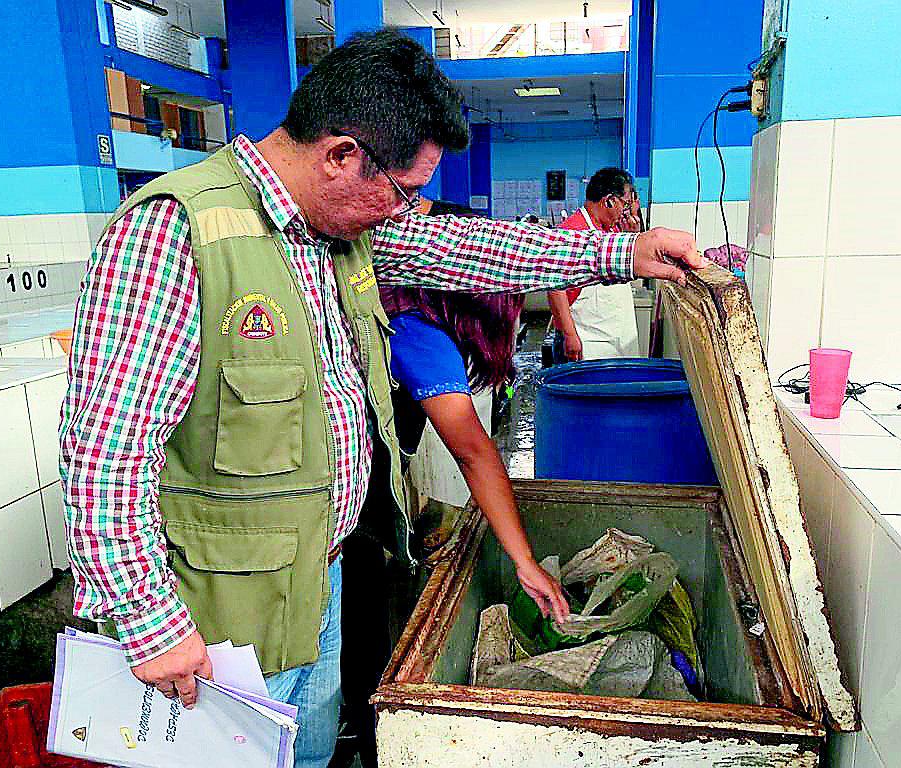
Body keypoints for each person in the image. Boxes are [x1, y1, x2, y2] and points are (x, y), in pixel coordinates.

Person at [59, 30, 701, 768]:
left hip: (313, 582)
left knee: (305, 753)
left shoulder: (334, 235)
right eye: (403, 191)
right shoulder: (175, 232)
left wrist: (619, 251)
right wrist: (149, 621)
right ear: (340, 154)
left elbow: (474, 250)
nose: (407, 212)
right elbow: (106, 454)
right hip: (214, 618)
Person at [339, 201, 568, 766]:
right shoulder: (418, 330)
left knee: (357, 637)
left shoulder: (392, 308)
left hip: (345, 507)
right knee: (360, 643)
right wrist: (525, 562)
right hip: (343, 519)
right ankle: (374, 750)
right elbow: (473, 450)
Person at [548, 168, 642, 363]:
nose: (625, 212)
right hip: (586, 340)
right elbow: (555, 289)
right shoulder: (572, 231)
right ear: (609, 201)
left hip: (615, 340)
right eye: (625, 205)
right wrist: (569, 335)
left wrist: (632, 237)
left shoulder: (613, 230)